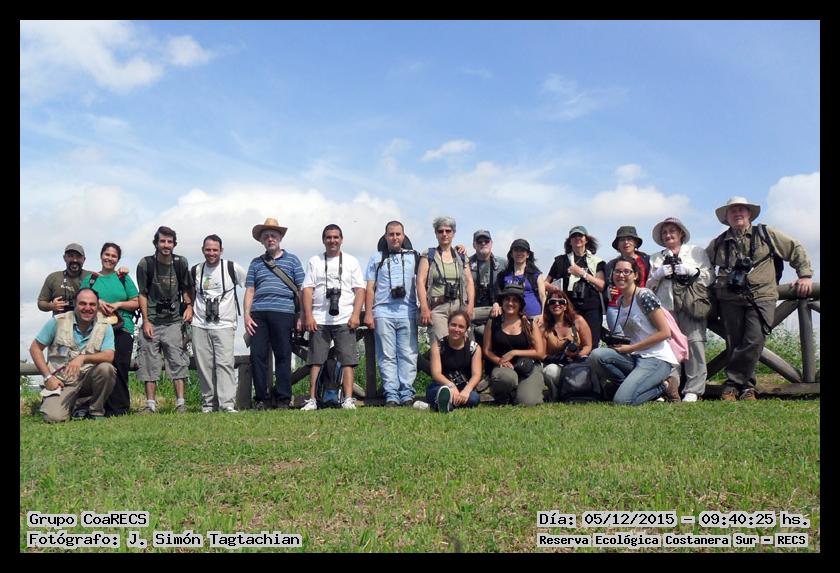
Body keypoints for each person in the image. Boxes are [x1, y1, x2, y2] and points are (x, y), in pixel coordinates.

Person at [706, 197, 814, 401]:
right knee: (734, 342)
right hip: (729, 298)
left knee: (754, 339)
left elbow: (795, 248)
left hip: (762, 295)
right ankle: (747, 388)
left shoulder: (766, 234)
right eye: (733, 211)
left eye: (742, 209)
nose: (738, 213)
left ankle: (732, 383)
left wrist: (805, 275)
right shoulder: (718, 243)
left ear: (749, 214)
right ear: (726, 217)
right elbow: (704, 267)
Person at [588, 256, 681, 405]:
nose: (621, 275)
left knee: (621, 401)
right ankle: (627, 387)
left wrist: (631, 348)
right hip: (635, 357)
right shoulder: (620, 301)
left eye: (627, 271)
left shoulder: (644, 295)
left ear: (636, 275)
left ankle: (664, 386)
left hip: (656, 358)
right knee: (596, 356)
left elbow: (665, 333)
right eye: (617, 271)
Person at [300, 224, 366, 411]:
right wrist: (308, 316)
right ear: (323, 240)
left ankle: (348, 399)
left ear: (342, 239)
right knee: (315, 360)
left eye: (336, 237)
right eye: (328, 237)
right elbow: (307, 289)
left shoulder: (351, 261)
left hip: (345, 318)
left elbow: (360, 290)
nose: (332, 241)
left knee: (348, 360)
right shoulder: (315, 261)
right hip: (319, 318)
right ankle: (312, 399)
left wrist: (356, 314)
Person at [648, 217, 714, 402]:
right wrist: (658, 275)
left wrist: (693, 271)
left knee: (695, 343)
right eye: (664, 232)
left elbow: (710, 277)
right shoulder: (656, 257)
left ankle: (694, 389)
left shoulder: (696, 252)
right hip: (666, 307)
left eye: (672, 231)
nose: (668, 235)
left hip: (692, 304)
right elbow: (649, 286)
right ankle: (671, 387)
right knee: (669, 347)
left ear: (681, 234)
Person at [29, 288, 117, 422]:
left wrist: (82, 358)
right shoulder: (57, 321)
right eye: (83, 303)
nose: (87, 308)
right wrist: (48, 377)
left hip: (88, 381)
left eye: (92, 304)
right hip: (63, 383)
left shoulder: (105, 325)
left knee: (106, 369)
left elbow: (109, 355)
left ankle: (96, 411)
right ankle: (77, 405)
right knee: (53, 417)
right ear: (75, 303)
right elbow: (35, 348)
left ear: (97, 306)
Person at [244, 218, 305, 410]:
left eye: (273, 235)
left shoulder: (293, 260)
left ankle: (283, 399)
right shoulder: (256, 263)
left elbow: (302, 289)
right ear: (262, 240)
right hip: (258, 314)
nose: (270, 239)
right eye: (266, 236)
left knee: (283, 355)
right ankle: (261, 399)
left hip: (284, 312)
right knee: (257, 355)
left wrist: (302, 314)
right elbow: (250, 290)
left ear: (280, 238)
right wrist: (246, 315)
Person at [136, 226, 194, 414]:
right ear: (156, 243)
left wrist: (189, 306)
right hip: (152, 320)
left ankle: (181, 403)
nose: (166, 245)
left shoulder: (180, 263)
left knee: (177, 360)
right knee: (148, 360)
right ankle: (150, 405)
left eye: (170, 242)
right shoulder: (146, 264)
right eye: (162, 241)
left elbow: (186, 287)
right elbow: (142, 294)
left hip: (174, 320)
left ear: (174, 244)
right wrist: (145, 320)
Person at [364, 221, 420, 407]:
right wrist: (369, 313)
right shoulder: (376, 258)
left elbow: (433, 264)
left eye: (398, 234)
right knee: (386, 356)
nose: (395, 237)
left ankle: (407, 393)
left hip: (408, 312)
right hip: (383, 312)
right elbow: (370, 287)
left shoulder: (414, 256)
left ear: (403, 236)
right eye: (391, 234)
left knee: (408, 354)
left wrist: (459, 250)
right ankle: (391, 394)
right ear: (385, 236)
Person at [190, 235, 247, 413]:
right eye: (208, 250)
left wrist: (249, 312)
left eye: (215, 250)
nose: (211, 253)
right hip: (199, 323)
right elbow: (188, 293)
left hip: (225, 324)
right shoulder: (196, 270)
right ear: (202, 250)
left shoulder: (231, 267)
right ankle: (209, 403)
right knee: (204, 365)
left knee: (225, 364)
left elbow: (250, 285)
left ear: (221, 250)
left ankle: (227, 403)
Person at [81, 243, 139, 417]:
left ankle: (120, 408)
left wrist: (118, 304)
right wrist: (97, 302)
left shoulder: (123, 278)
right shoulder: (90, 280)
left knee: (120, 365)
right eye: (107, 254)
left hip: (123, 327)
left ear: (118, 259)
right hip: (96, 329)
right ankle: (98, 406)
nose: (110, 258)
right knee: (99, 366)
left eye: (114, 256)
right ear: (101, 255)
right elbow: (80, 301)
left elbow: (136, 302)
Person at [483, 283, 546, 406]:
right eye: (507, 299)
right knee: (504, 378)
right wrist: (499, 361)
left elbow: (540, 353)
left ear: (520, 304)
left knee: (528, 402)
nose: (510, 303)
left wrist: (514, 352)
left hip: (527, 367)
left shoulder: (529, 323)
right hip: (505, 368)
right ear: (502, 302)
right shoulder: (493, 322)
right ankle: (504, 393)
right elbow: (487, 350)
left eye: (515, 300)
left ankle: (520, 392)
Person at [417, 216, 475, 342]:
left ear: (453, 233)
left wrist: (470, 306)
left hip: (459, 306)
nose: (444, 234)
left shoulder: (461, 256)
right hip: (437, 307)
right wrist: (424, 307)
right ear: (436, 233)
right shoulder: (428, 255)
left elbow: (469, 282)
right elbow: (420, 281)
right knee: (440, 344)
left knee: (462, 344)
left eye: (448, 231)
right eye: (440, 231)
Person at [547, 226, 606, 346]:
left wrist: (582, 273)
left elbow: (601, 285)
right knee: (570, 342)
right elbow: (545, 282)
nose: (577, 238)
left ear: (586, 239)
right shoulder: (560, 261)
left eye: (580, 236)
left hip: (591, 307)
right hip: (569, 307)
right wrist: (553, 288)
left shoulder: (597, 261)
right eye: (573, 236)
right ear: (569, 241)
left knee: (592, 342)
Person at [539, 291, 593, 401]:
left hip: (577, 363)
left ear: (566, 305)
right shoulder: (544, 327)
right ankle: (557, 394)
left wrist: (576, 355)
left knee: (595, 365)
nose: (557, 304)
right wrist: (560, 358)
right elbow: (542, 355)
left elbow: (588, 345)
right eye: (552, 302)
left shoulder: (578, 321)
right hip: (556, 364)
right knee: (550, 371)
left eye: (561, 302)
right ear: (548, 306)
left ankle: (586, 391)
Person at [428, 310, 482, 412]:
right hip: (442, 386)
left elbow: (476, 375)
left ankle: (444, 404)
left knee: (474, 398)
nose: (456, 329)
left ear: (466, 329)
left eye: (461, 327)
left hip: (464, 387)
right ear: (448, 325)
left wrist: (466, 391)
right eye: (453, 325)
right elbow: (436, 374)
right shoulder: (438, 345)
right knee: (434, 392)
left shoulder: (474, 348)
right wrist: (451, 386)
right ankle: (446, 401)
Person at [604, 226, 650, 337]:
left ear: (635, 243)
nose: (626, 242)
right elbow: (607, 286)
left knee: (642, 339)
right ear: (618, 245)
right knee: (620, 341)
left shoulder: (647, 260)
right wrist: (608, 291)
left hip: (640, 305)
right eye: (622, 240)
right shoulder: (611, 264)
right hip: (616, 307)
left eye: (629, 239)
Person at [468, 229, 507, 340]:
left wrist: (499, 302)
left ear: (491, 243)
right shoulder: (466, 263)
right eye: (479, 241)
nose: (483, 243)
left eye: (486, 241)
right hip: (473, 310)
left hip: (496, 308)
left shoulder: (503, 263)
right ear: (474, 245)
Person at [493, 239, 546, 320]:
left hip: (534, 318)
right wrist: (496, 303)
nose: (519, 253)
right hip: (510, 320)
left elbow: (543, 297)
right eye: (516, 250)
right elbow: (497, 295)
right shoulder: (503, 275)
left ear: (528, 254)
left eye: (522, 250)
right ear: (511, 254)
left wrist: (543, 315)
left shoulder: (536, 275)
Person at [37, 243, 95, 314]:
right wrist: (52, 306)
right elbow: (41, 303)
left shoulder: (93, 277)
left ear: (84, 259)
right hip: (60, 319)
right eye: (71, 256)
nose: (75, 260)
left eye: (78, 257)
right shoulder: (53, 277)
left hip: (87, 319)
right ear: (64, 258)